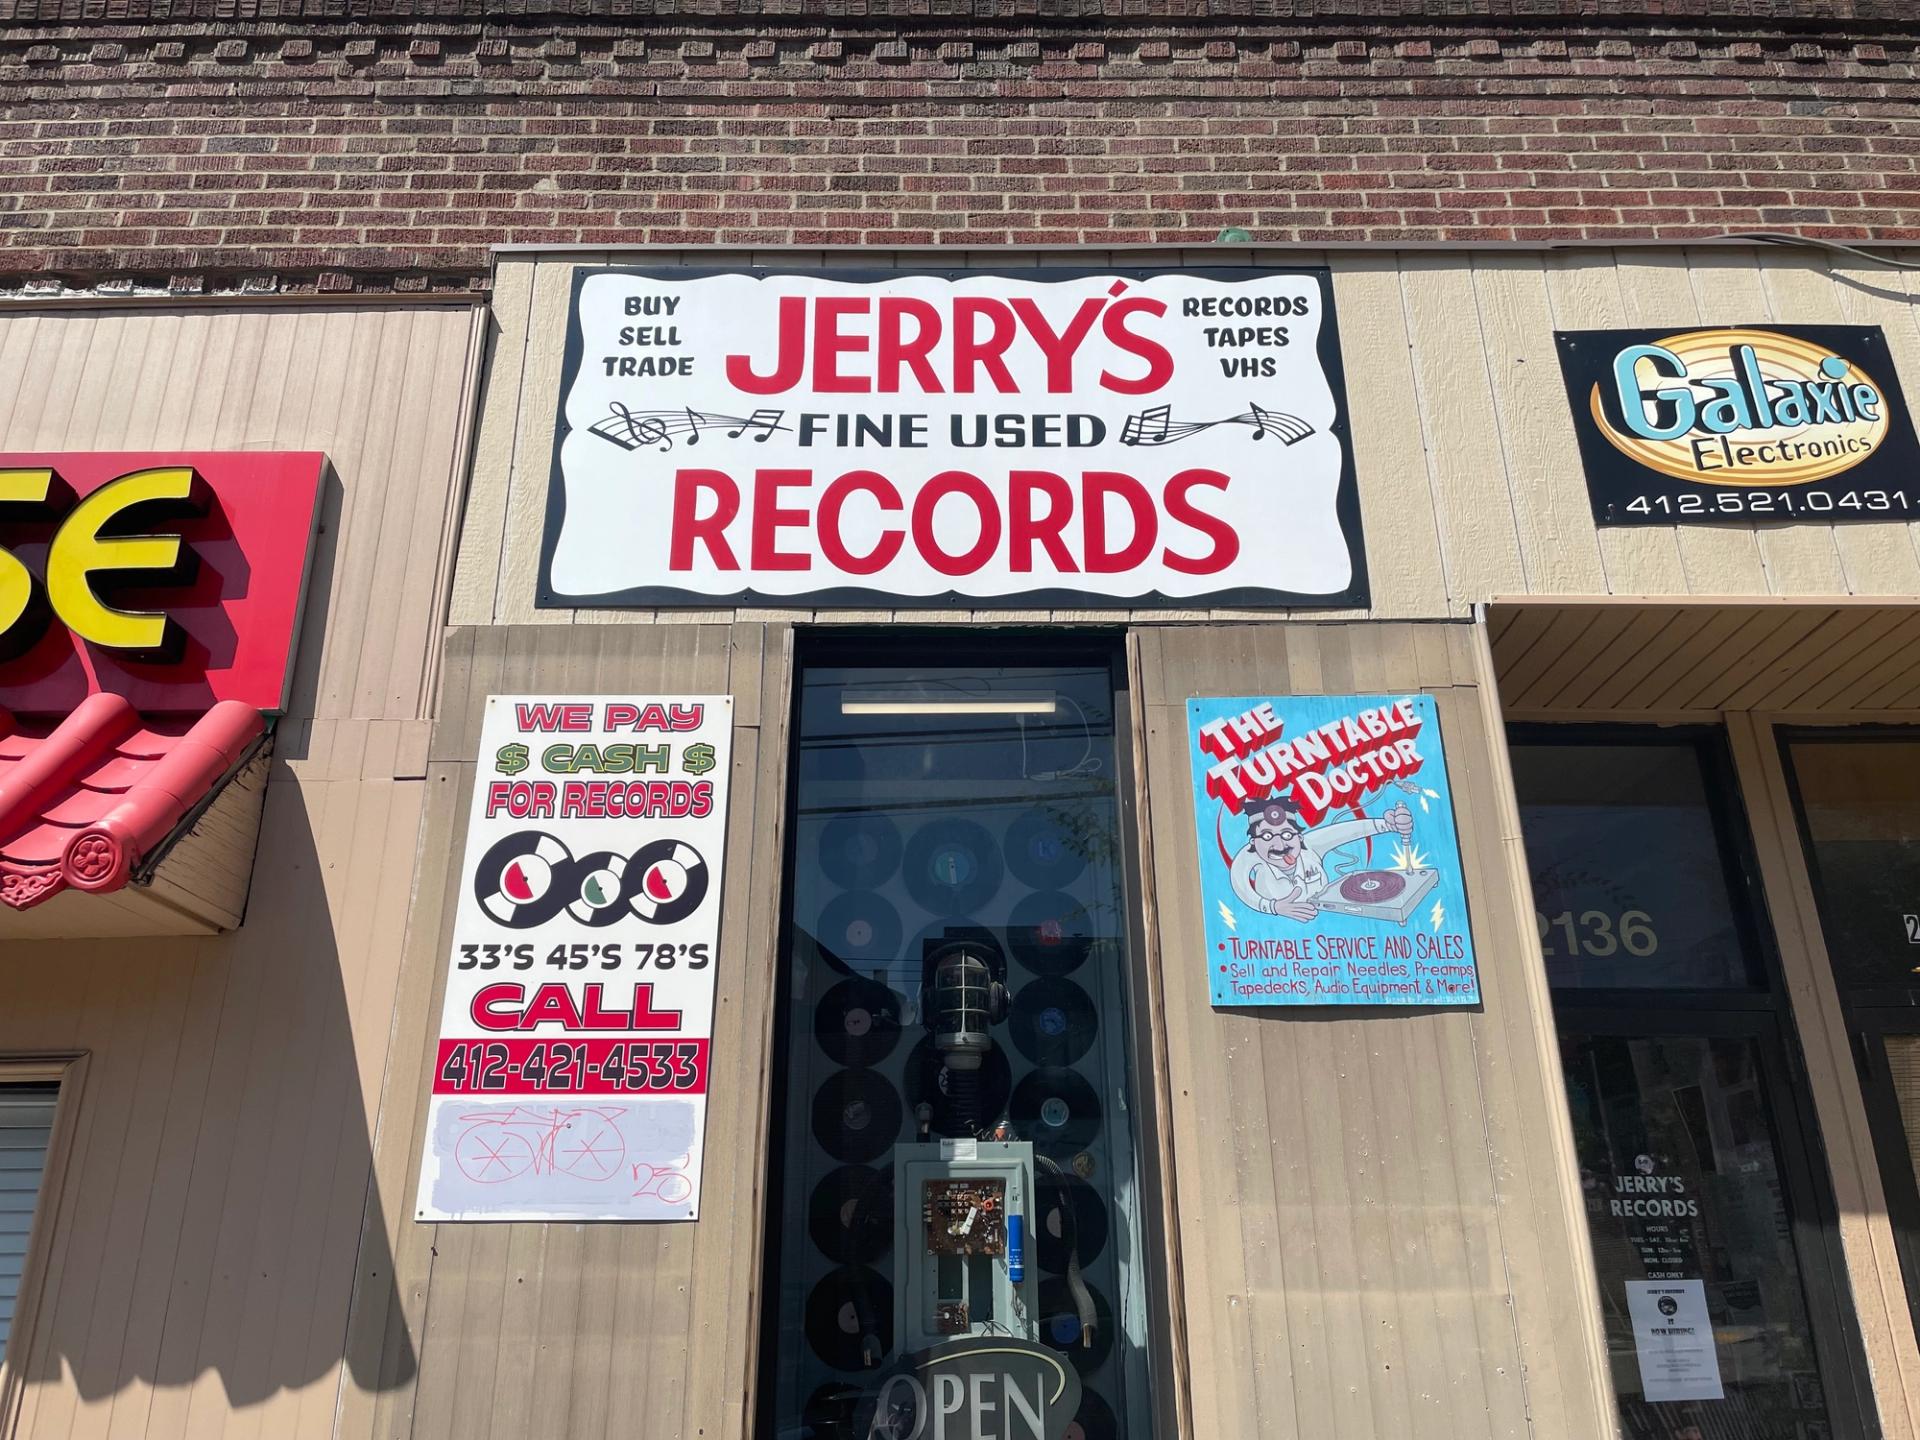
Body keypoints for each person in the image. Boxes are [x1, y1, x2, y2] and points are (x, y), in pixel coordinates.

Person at [1228, 797, 1414, 921]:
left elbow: (1348, 831)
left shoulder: (1308, 845)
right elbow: (1239, 884)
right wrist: (1273, 907)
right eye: (1267, 837)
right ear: (1253, 842)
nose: (1279, 845)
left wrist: (1390, 824)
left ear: (1299, 837)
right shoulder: (1249, 855)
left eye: (1286, 834)